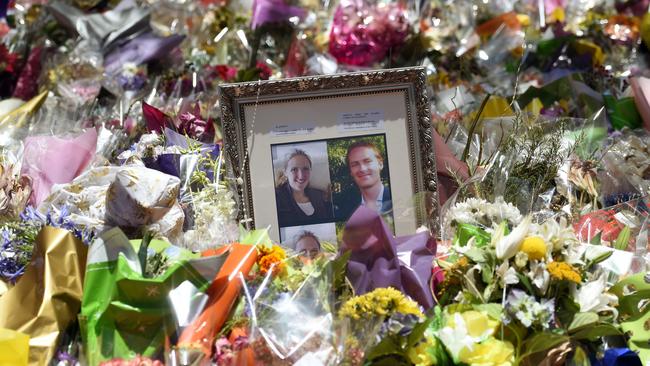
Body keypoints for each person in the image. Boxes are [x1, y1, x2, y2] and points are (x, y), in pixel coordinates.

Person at [334, 140, 392, 220]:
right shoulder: (345, 209)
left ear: (380, 164)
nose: (362, 169)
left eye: (367, 161)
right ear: (350, 171)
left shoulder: (396, 199)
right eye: (355, 164)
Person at [275, 149, 333, 227]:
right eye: (294, 169)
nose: (301, 176)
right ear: (285, 172)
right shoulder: (276, 198)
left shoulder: (321, 196)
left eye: (305, 169)